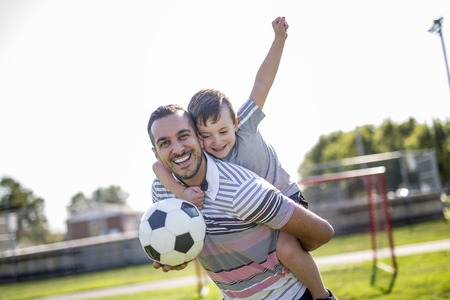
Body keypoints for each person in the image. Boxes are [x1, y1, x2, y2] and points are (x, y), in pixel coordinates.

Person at [152, 17, 336, 300]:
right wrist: (180, 196)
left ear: (235, 122)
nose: (217, 141)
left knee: (287, 251)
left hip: (286, 197)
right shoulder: (202, 165)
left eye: (223, 131)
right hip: (260, 218)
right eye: (206, 136)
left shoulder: (245, 126)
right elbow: (158, 168)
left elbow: (263, 81)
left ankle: (322, 296)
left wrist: (279, 39)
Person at [148, 104, 336, 300]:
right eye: (164, 143)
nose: (177, 149)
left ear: (199, 138)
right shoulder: (162, 193)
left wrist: (286, 249)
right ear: (156, 153)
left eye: (183, 136)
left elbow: (323, 233)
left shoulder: (242, 191)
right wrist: (177, 254)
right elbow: (193, 238)